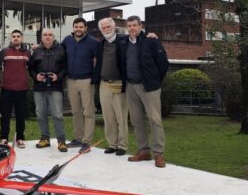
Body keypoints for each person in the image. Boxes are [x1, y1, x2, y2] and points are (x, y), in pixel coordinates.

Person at [117, 15, 169, 168]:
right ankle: (144, 151)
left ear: (140, 26)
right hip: (131, 86)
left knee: (155, 120)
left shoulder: (151, 41)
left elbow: (163, 64)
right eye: (129, 26)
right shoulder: (124, 43)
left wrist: (155, 80)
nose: (132, 28)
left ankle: (159, 154)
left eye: (134, 25)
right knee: (136, 120)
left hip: (149, 88)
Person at [62, 17, 101, 153]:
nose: (78, 29)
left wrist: (94, 77)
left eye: (81, 27)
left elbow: (100, 60)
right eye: (76, 27)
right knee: (76, 112)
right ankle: (78, 138)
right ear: (73, 28)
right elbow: (58, 52)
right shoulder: (67, 40)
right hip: (71, 81)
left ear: (85, 28)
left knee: (88, 112)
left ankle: (86, 142)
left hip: (86, 81)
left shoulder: (93, 42)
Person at [93, 17, 128, 156]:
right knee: (108, 117)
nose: (106, 30)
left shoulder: (124, 41)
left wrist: (151, 36)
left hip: (119, 84)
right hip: (104, 84)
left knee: (121, 117)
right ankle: (112, 144)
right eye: (104, 28)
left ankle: (122, 146)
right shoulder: (100, 44)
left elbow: (138, 40)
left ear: (114, 27)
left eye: (108, 27)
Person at [29, 28, 68, 152]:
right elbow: (30, 68)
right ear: (41, 37)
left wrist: (58, 77)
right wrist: (36, 76)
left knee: (57, 114)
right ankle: (45, 138)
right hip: (39, 87)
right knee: (41, 114)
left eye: (50, 35)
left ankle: (61, 141)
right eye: (45, 35)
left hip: (55, 87)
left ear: (53, 37)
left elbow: (66, 68)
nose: (47, 37)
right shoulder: (36, 51)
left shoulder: (61, 50)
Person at [0, 30, 31, 148]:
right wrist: (1, 81)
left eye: (18, 36)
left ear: (22, 38)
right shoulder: (4, 52)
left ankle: (20, 138)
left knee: (20, 115)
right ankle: (4, 138)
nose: (16, 38)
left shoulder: (27, 53)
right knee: (5, 115)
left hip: (21, 90)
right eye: (14, 36)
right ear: (10, 38)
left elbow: (31, 68)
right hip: (6, 89)